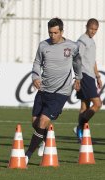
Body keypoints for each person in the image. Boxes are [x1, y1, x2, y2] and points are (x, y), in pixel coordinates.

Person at [25, 18, 82, 164]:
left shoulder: (72, 46)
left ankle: (27, 155)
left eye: (55, 32)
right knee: (35, 122)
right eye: (50, 32)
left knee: (43, 121)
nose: (52, 35)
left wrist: (78, 78)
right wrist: (35, 76)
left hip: (60, 92)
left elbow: (77, 62)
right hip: (44, 89)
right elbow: (37, 62)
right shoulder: (43, 45)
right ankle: (45, 140)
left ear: (61, 31)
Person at [73, 18, 102, 142]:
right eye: (91, 29)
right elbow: (76, 59)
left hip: (90, 76)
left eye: (95, 30)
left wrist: (98, 76)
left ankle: (80, 133)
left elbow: (92, 60)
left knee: (85, 106)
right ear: (86, 27)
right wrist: (78, 78)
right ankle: (79, 127)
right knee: (97, 104)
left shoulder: (91, 41)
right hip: (84, 76)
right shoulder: (82, 41)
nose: (93, 31)